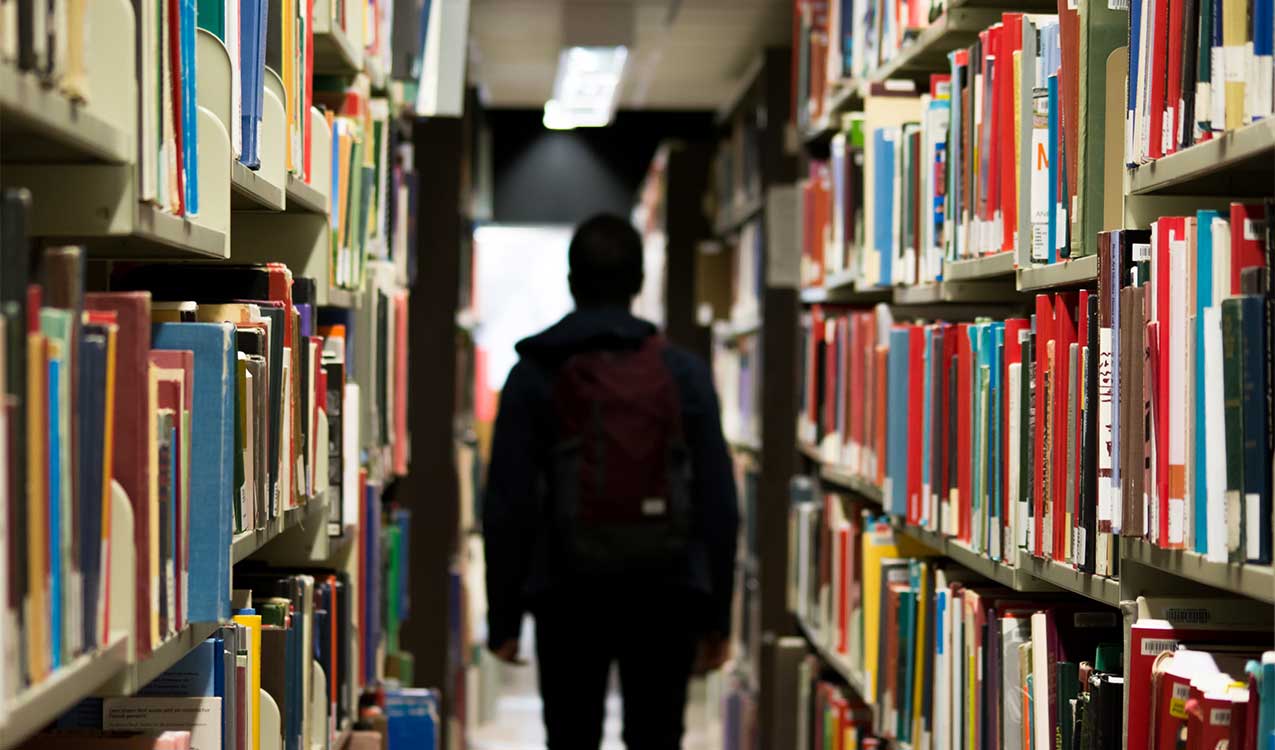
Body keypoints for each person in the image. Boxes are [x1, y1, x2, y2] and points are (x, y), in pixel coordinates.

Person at [483, 214, 740, 750]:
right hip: (665, 590)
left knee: (572, 735)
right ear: (639, 282)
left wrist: (504, 617)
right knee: (657, 735)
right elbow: (718, 499)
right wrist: (717, 616)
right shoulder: (683, 373)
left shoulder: (534, 372)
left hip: (567, 590)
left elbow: (508, 502)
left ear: (572, 281)